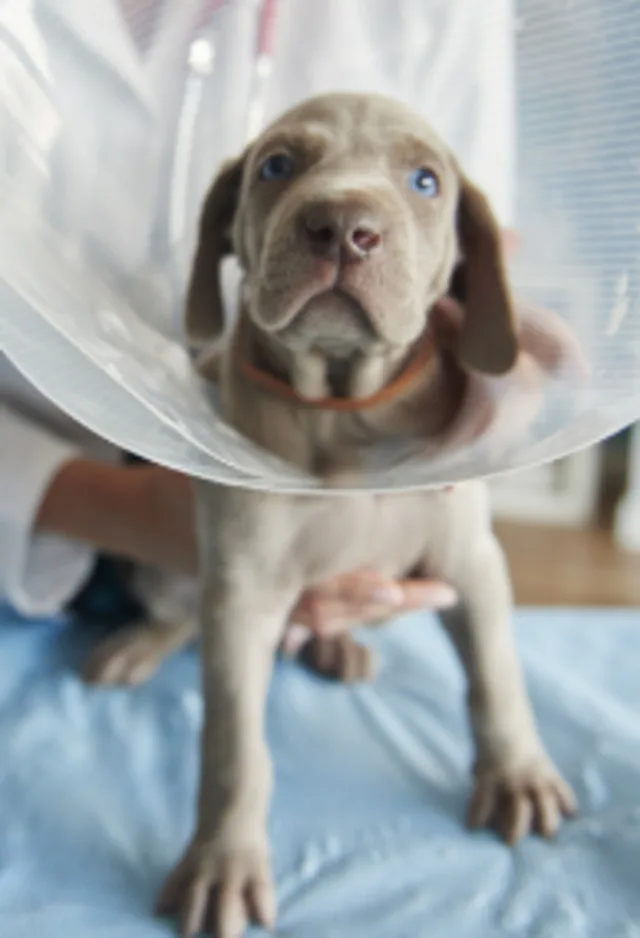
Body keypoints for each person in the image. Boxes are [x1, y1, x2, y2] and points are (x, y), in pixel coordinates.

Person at [0, 0, 516, 629]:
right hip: (33, 537)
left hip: (329, 528)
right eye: (278, 166)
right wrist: (111, 506)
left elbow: (477, 254)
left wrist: (504, 363)